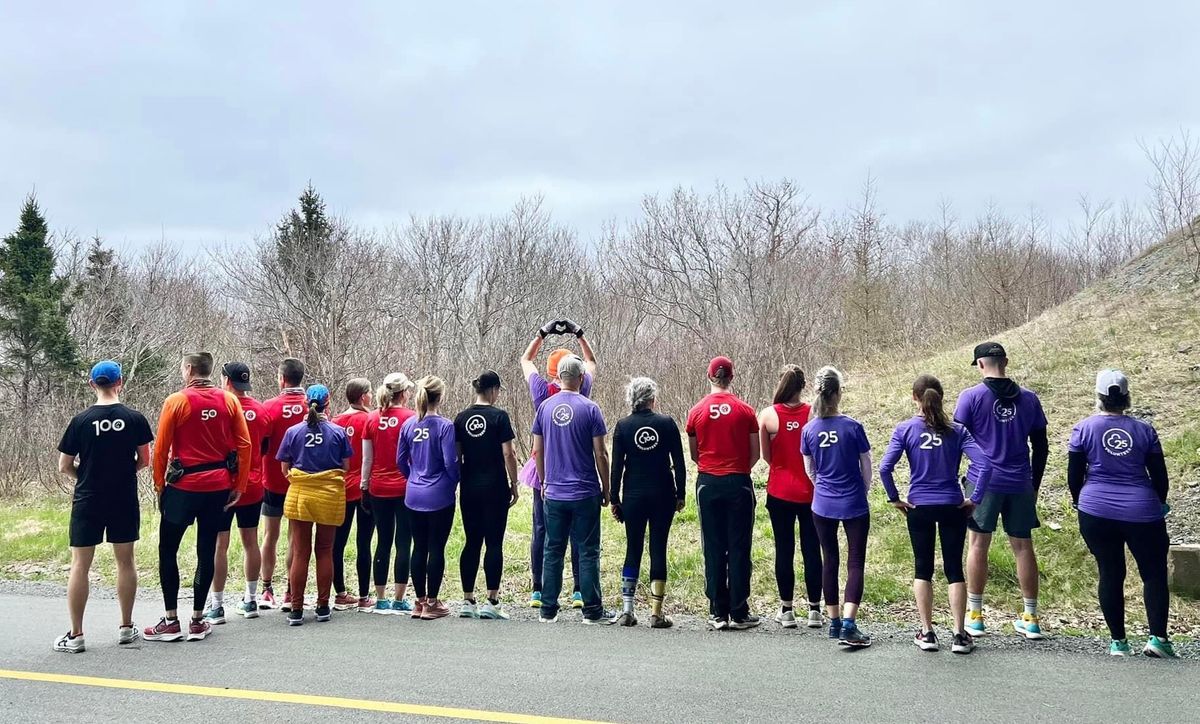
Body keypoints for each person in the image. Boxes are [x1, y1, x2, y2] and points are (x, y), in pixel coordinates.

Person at [879, 375, 990, 655]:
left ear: (914, 397)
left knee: (922, 567)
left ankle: (927, 632)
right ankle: (959, 634)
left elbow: (884, 468)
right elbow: (985, 465)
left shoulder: (904, 429)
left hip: (919, 506)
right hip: (952, 504)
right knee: (954, 568)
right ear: (941, 397)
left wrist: (895, 499)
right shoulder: (957, 430)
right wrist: (974, 499)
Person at [1069, 370, 1176, 658]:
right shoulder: (1145, 430)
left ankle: (1118, 642)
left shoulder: (1083, 428)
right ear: (1127, 398)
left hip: (1095, 509)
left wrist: (1080, 502)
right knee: (1153, 573)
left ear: (1098, 397)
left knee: (1110, 571)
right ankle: (1158, 639)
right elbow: (1160, 477)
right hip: (1141, 510)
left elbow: (1074, 475)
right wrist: (1160, 503)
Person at [145, 352, 251, 643]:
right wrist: (239, 484)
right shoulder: (229, 400)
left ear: (189, 369)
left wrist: (159, 486)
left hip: (183, 487)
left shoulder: (176, 401)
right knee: (207, 549)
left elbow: (161, 448)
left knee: (168, 550)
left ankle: (170, 620)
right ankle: (197, 619)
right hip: (217, 485)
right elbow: (244, 445)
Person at [53, 361, 154, 653]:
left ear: (91, 384)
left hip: (88, 498)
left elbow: (64, 465)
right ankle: (125, 627)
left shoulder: (80, 421)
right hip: (122, 497)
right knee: (125, 561)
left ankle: (76, 635)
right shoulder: (134, 418)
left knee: (80, 565)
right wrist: (122, 474)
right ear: (120, 382)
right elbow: (144, 460)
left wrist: (85, 476)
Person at [955, 342, 1049, 640]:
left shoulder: (970, 397)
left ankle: (975, 616)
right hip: (1020, 481)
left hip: (983, 482)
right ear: (1005, 362)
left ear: (980, 365)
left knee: (977, 545)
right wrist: (1034, 484)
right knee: (1023, 546)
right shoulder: (1030, 399)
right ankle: (1031, 618)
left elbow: (955, 441)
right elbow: (1042, 446)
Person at [532, 354, 617, 625]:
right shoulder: (590, 408)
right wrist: (607, 488)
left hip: (554, 492)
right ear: (581, 378)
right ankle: (592, 611)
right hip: (584, 492)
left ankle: (548, 609)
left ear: (558, 378)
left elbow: (537, 450)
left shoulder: (544, 408)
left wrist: (544, 482)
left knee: (552, 549)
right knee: (588, 550)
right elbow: (601, 454)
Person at [519, 319, 596, 609]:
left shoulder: (541, 392)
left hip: (544, 472)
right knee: (579, 532)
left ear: (551, 371)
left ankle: (538, 590)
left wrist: (542, 333)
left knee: (542, 530)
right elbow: (590, 361)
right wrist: (579, 333)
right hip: (576, 470)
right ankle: (578, 590)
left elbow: (526, 360)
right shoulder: (582, 389)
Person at [686, 356, 760, 631]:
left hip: (708, 483)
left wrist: (711, 467)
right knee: (740, 546)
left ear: (710, 377)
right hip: (738, 481)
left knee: (713, 546)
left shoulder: (696, 411)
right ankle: (739, 611)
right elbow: (755, 453)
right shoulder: (746, 411)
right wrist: (738, 468)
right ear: (731, 377)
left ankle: (718, 611)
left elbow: (695, 454)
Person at [801, 366, 873, 648]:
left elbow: (810, 469)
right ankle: (849, 624)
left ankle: (832, 621)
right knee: (855, 561)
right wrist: (862, 490)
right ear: (838, 393)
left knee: (829, 559)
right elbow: (866, 465)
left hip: (822, 504)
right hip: (853, 501)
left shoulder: (809, 429)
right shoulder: (853, 427)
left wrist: (822, 488)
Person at [610, 377, 686, 628]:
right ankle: (656, 613)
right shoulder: (666, 424)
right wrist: (681, 494)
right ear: (652, 398)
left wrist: (614, 498)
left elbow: (617, 466)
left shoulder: (623, 426)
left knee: (633, 548)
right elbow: (679, 462)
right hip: (663, 494)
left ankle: (628, 611)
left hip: (633, 495)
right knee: (658, 548)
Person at [276, 384, 352, 626]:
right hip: (329, 496)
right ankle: (322, 606)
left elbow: (284, 468)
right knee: (325, 550)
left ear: (306, 403)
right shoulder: (338, 432)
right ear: (328, 403)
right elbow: (346, 466)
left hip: (301, 495)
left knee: (300, 551)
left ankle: (296, 609)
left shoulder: (293, 432)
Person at [757, 365, 823, 630]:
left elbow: (766, 456)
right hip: (811, 492)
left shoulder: (768, 415)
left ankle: (786, 610)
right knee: (811, 550)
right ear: (803, 386)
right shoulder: (814, 413)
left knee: (784, 550)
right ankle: (815, 611)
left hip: (780, 491)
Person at [204, 362, 269, 624]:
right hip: (253, 483)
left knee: (220, 545)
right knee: (250, 541)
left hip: (224, 485)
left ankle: (216, 605)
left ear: (226, 380)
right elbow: (264, 447)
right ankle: (251, 599)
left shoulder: (220, 407)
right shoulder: (261, 411)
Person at [454, 371, 520, 620]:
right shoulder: (499, 417)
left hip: (469, 487)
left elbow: (457, 455)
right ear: (493, 390)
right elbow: (509, 454)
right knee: (494, 542)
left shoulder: (461, 418)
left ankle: (467, 600)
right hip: (494, 487)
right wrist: (514, 483)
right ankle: (491, 601)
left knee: (471, 542)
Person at [397, 376, 460, 621]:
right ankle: (433, 602)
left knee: (418, 547)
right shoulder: (445, 426)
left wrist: (412, 476)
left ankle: (419, 601)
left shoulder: (409, 425)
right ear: (440, 397)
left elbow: (400, 460)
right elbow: (449, 461)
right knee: (436, 547)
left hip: (413, 494)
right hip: (439, 495)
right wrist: (453, 480)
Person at [362, 372, 417, 614]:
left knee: (382, 541)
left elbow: (367, 458)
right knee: (403, 541)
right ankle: (399, 598)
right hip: (404, 487)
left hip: (378, 488)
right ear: (404, 393)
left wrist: (364, 485)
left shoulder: (372, 418)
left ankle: (380, 598)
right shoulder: (411, 418)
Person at [258, 358, 308, 610]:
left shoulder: (269, 406)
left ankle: (267, 589)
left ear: (281, 378)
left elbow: (262, 444)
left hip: (273, 481)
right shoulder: (312, 407)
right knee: (294, 538)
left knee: (270, 535)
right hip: (302, 482)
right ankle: (291, 589)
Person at [330, 379, 375, 612]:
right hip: (363, 489)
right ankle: (364, 596)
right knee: (363, 543)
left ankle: (340, 593)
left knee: (338, 542)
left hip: (340, 488)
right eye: (369, 392)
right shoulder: (369, 419)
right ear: (363, 397)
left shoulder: (335, 421)